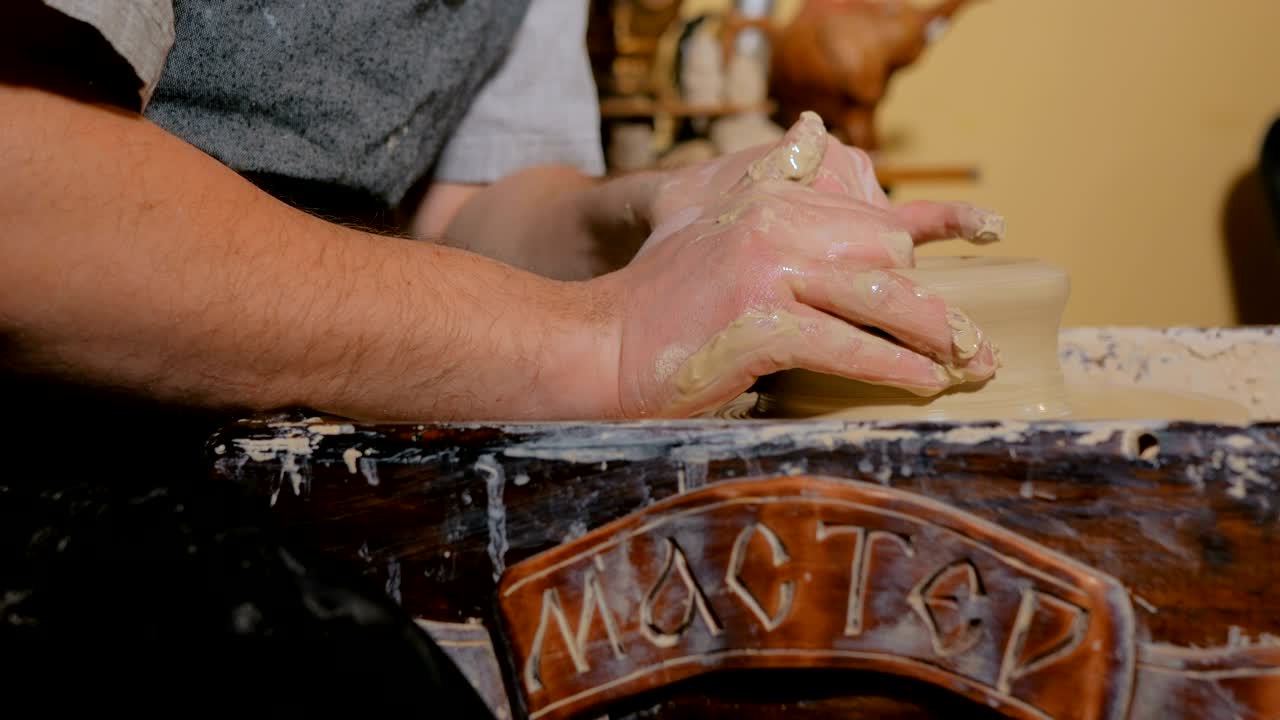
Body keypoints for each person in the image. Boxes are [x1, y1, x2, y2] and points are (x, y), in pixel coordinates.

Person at [0, 0, 1003, 710]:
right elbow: (29, 201)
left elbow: (469, 206)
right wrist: (602, 338)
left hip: (284, 410)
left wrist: (666, 217)